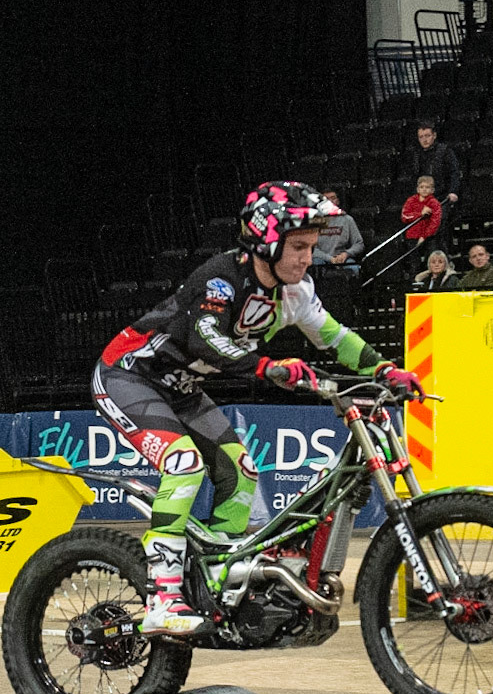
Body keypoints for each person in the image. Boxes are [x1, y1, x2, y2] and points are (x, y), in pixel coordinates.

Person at [93, 181, 420, 635]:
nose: (308, 258)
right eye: (299, 247)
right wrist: (269, 366)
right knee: (184, 465)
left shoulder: (296, 292)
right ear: (266, 241)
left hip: (183, 388)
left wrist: (385, 369)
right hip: (128, 375)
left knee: (241, 470)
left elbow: (337, 338)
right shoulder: (220, 278)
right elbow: (204, 338)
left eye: (312, 247)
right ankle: (162, 598)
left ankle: (218, 574)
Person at [402, 122, 461, 218]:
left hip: (443, 197)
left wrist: (453, 191)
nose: (424, 140)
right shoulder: (416, 155)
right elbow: (414, 178)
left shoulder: (445, 151)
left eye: (427, 136)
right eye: (421, 137)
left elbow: (454, 173)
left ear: (434, 135)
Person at [313, 189, 364, 269]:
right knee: (315, 265)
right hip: (321, 259)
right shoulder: (314, 221)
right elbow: (311, 249)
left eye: (333, 198)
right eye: (326, 199)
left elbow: (359, 244)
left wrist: (346, 254)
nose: (329, 202)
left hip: (342, 258)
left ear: (337, 201)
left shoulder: (347, 220)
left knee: (354, 268)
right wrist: (330, 259)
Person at [400, 175, 443, 264]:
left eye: (427, 187)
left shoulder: (434, 203)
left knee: (431, 260)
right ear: (417, 189)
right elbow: (404, 217)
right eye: (421, 187)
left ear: (432, 190)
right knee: (414, 263)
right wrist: (420, 214)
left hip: (429, 238)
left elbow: (435, 223)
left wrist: (424, 236)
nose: (424, 189)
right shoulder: (411, 200)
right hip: (412, 236)